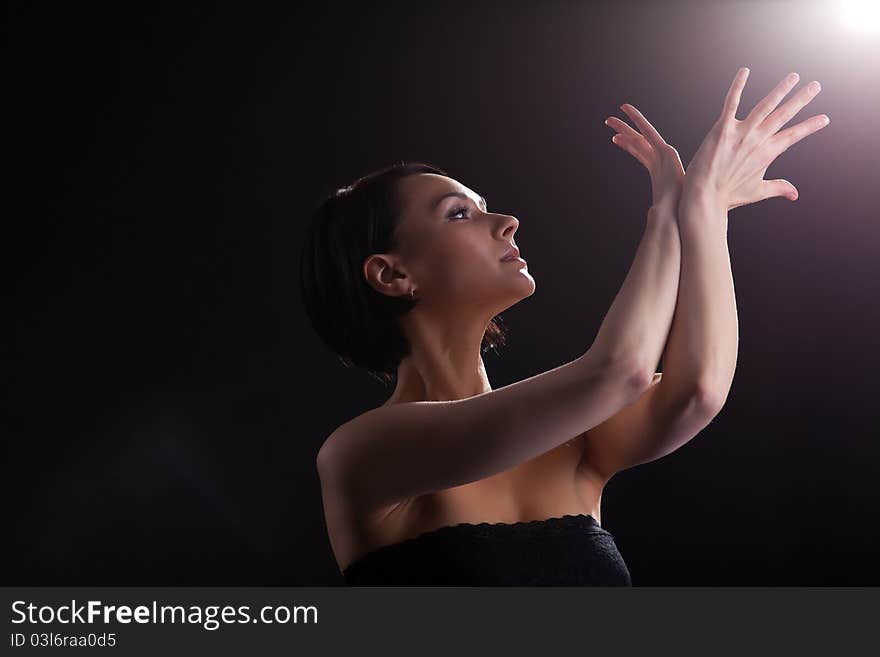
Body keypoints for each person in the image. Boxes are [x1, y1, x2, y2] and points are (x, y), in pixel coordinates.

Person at [299, 68, 828, 585]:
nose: (506, 222)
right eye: (458, 214)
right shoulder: (361, 454)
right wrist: (667, 211)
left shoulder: (573, 444)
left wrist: (707, 210)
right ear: (393, 274)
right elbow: (620, 372)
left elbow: (697, 389)